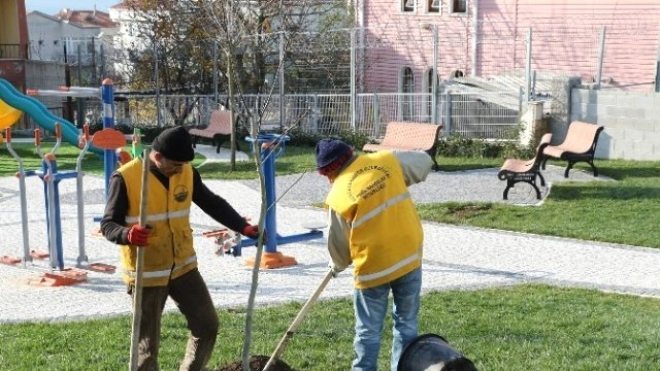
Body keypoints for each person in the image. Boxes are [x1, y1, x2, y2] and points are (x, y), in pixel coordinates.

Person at [101, 126, 259, 371]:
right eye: (175, 164)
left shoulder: (186, 171)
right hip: (147, 273)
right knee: (146, 346)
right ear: (157, 156)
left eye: (183, 165)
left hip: (183, 267)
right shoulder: (125, 178)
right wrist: (127, 234)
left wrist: (242, 226)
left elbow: (211, 202)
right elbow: (108, 225)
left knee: (207, 324)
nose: (179, 169)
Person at [315, 138, 433, 371]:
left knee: (368, 331)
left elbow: (339, 249)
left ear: (328, 172)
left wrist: (336, 265)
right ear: (350, 153)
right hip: (408, 256)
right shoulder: (386, 160)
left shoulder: (338, 195)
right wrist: (394, 179)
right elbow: (424, 161)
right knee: (406, 325)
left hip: (372, 268)